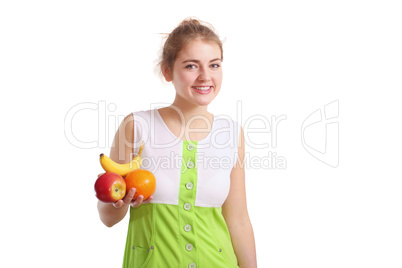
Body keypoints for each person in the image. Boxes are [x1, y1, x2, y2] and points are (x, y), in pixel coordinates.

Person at [97, 18, 257, 268]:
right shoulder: (137, 126)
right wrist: (121, 204)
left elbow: (238, 220)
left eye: (214, 65)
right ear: (167, 71)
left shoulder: (231, 133)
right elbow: (107, 217)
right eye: (192, 66)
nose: (205, 76)